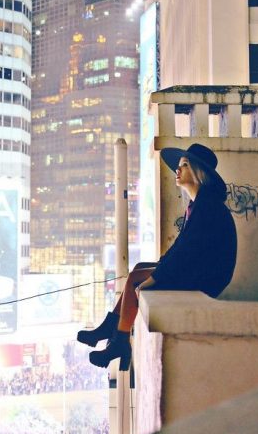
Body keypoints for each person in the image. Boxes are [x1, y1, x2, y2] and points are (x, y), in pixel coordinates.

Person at [76, 143, 237, 371]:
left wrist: (154, 279)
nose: (177, 171)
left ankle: (119, 341)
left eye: (184, 165)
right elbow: (181, 249)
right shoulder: (199, 204)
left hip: (206, 279)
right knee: (141, 268)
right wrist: (159, 268)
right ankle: (110, 330)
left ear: (199, 173)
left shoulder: (206, 206)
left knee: (136, 280)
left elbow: (186, 252)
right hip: (198, 272)